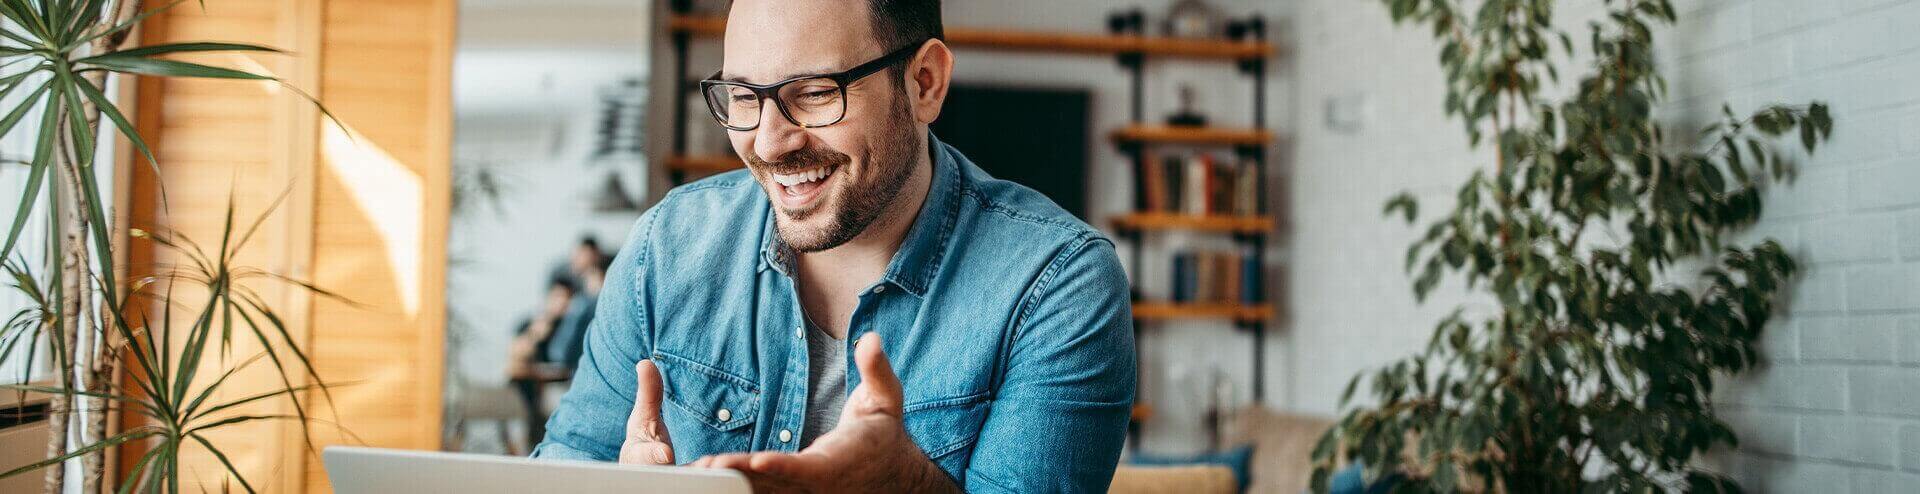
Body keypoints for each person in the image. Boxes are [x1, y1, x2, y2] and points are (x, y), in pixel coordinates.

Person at [532, 0, 1136, 491]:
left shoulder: (1057, 283)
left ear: (924, 83)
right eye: (743, 96)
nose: (768, 144)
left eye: (816, 92)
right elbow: (562, 463)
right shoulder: (667, 246)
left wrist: (904, 486)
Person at [507, 275, 580, 445]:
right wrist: (535, 334)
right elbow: (514, 357)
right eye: (557, 297)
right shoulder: (531, 323)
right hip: (525, 385)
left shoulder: (571, 330)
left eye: (567, 299)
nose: (561, 303)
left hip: (556, 385)